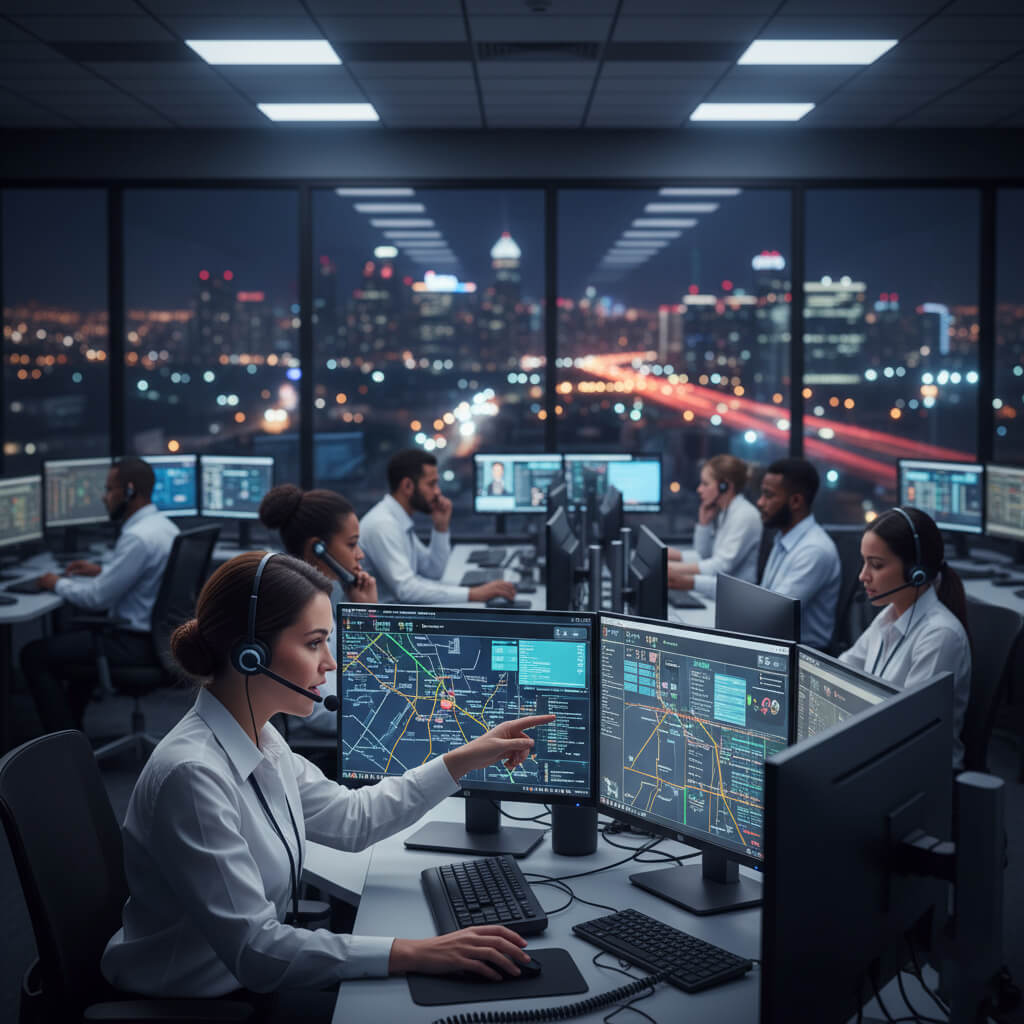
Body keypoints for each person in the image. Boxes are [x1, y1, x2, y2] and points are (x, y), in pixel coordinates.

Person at [101, 552, 551, 1021]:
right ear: (251, 654)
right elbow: (257, 951)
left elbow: (352, 820)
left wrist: (465, 758)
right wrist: (416, 952)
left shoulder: (259, 737)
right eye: (314, 643)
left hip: (246, 981)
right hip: (200, 1004)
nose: (330, 664)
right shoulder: (193, 775)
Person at [21, 456, 179, 732]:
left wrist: (54, 582)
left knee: (33, 655)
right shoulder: (165, 527)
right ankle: (71, 731)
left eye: (108, 489)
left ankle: (63, 743)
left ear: (129, 491)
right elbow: (145, 577)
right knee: (75, 645)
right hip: (158, 640)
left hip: (133, 643)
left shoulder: (138, 537)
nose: (104, 498)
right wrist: (104, 571)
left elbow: (96, 599)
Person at [840, 506, 971, 769]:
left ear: (915, 571)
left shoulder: (940, 636)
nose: (863, 576)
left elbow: (910, 732)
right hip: (878, 750)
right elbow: (843, 670)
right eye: (864, 562)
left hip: (916, 771)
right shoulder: (889, 616)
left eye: (876, 565)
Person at [259, 483, 377, 734]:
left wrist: (362, 611)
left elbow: (343, 671)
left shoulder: (315, 595)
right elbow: (328, 709)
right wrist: (367, 618)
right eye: (351, 544)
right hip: (314, 735)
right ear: (317, 549)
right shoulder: (299, 606)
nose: (360, 555)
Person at [359, 449, 515, 605]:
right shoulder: (383, 525)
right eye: (431, 484)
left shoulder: (398, 521)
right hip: (386, 616)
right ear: (407, 486)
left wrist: (441, 527)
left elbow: (433, 571)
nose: (437, 492)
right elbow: (406, 590)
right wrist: (474, 594)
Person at [755, 457, 841, 650]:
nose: (760, 502)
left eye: (768, 495)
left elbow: (774, 614)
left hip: (803, 656)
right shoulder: (782, 537)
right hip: (776, 643)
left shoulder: (814, 550)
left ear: (795, 501)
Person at [667, 454, 761, 597]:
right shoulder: (725, 512)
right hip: (718, 592)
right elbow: (704, 555)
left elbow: (721, 566)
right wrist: (704, 524)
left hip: (736, 598)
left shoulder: (745, 515)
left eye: (705, 484)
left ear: (725, 486)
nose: (699, 489)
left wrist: (672, 569)